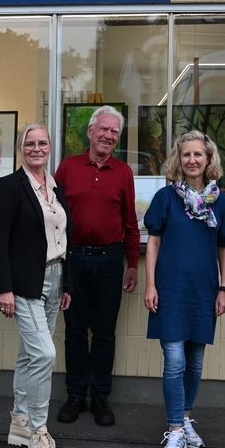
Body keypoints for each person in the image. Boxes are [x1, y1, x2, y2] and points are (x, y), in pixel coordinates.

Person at [143, 131, 225, 448]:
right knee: (175, 361)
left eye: (198, 154)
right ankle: (176, 431)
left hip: (203, 290)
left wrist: (224, 288)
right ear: (178, 160)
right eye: (186, 155)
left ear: (208, 159)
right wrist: (150, 285)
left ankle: (185, 417)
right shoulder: (166, 199)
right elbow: (153, 243)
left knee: (195, 361)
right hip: (169, 288)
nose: (192, 160)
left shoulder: (220, 202)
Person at [0, 124, 72, 448]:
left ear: (50, 147)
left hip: (55, 277)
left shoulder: (56, 187)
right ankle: (38, 432)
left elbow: (66, 238)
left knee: (29, 355)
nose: (37, 148)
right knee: (44, 354)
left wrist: (68, 285)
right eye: (30, 143)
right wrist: (4, 288)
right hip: (25, 283)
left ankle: (19, 423)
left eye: (42, 143)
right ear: (21, 148)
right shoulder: (9, 186)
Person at [54, 104, 140, 426]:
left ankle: (100, 396)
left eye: (114, 131)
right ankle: (75, 394)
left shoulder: (123, 172)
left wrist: (132, 264)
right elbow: (54, 215)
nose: (108, 135)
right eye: (103, 129)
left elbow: (129, 220)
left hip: (109, 260)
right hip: (73, 259)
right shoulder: (68, 167)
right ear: (90, 132)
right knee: (75, 331)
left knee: (104, 332)